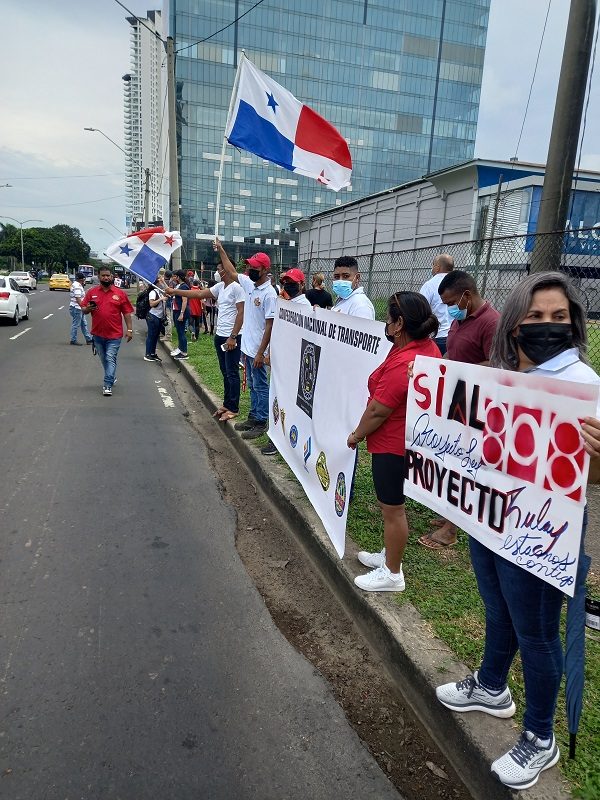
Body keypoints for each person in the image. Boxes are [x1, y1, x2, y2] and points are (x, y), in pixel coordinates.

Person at [435, 272, 600, 790]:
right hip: (490, 513)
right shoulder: (498, 375)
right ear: (513, 325)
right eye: (535, 317)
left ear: (574, 323)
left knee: (537, 633)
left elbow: (587, 476)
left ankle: (539, 736)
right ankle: (491, 686)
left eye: (559, 317)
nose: (547, 326)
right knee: (496, 607)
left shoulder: (584, 386)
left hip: (541, 529)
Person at [347, 292, 440, 592]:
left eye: (388, 319)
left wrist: (356, 435)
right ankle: (389, 554)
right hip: (403, 440)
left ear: (399, 324)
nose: (385, 324)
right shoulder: (422, 348)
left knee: (392, 508)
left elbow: (378, 410)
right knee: (390, 505)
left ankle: (393, 573)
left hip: (393, 444)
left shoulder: (406, 360)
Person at [418, 270, 500, 550]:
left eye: (452, 302)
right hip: (455, 399)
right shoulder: (459, 320)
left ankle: (452, 529)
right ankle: (448, 513)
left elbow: (497, 365)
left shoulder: (491, 322)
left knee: (466, 461)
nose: (449, 309)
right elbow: (453, 352)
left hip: (476, 405)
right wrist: (437, 367)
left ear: (467, 295)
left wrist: (460, 371)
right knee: (448, 456)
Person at [167, 263, 245, 422]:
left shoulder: (238, 288)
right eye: (217, 269)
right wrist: (175, 291)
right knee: (225, 372)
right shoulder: (220, 287)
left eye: (219, 269)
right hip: (220, 336)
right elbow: (200, 294)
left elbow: (241, 313)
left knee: (232, 373)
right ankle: (227, 403)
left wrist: (233, 336)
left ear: (228, 269)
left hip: (232, 337)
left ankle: (233, 408)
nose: (217, 272)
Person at [215, 240, 277, 439]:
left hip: (259, 350)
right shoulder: (251, 285)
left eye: (254, 267)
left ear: (265, 269)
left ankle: (261, 421)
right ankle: (253, 415)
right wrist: (222, 251)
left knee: (260, 385)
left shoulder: (269, 294)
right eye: (249, 266)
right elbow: (232, 272)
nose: (250, 270)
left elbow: (270, 325)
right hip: (248, 349)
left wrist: (261, 352)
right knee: (251, 384)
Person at [261, 267, 311, 456]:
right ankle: (275, 436)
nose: (287, 285)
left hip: (292, 365)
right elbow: (278, 332)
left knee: (287, 404)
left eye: (291, 282)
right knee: (276, 399)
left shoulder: (303, 307)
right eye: (285, 282)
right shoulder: (284, 303)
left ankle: (282, 440)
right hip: (280, 362)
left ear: (301, 284)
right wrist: (271, 353)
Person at [81, 266, 134, 396]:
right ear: (99, 277)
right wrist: (87, 308)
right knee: (104, 359)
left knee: (110, 358)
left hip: (114, 335)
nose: (106, 277)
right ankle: (111, 375)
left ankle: (107, 384)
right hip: (98, 334)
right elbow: (83, 309)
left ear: (112, 277)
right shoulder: (91, 292)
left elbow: (127, 312)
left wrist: (130, 329)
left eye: (108, 275)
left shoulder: (120, 293)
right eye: (103, 275)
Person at [418, 253, 454, 355]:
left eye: (433, 265)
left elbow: (421, 309)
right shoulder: (458, 283)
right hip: (456, 335)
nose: (432, 268)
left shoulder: (429, 285)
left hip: (438, 335)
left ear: (437, 267)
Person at [69, 270, 93, 346]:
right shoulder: (77, 286)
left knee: (83, 324)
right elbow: (78, 298)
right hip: (77, 307)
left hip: (78, 307)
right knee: (76, 324)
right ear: (81, 279)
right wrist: (83, 307)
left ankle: (88, 339)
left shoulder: (77, 284)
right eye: (83, 279)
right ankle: (73, 340)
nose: (84, 280)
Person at [170, 269, 190, 360]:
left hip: (181, 311)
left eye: (175, 276)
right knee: (179, 331)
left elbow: (184, 301)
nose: (174, 277)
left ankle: (184, 352)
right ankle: (180, 349)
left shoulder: (184, 287)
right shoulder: (179, 285)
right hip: (176, 310)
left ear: (178, 277)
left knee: (181, 332)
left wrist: (181, 313)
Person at [144, 282, 166, 363]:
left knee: (156, 335)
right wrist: (161, 299)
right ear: (156, 284)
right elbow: (152, 303)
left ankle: (152, 353)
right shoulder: (153, 292)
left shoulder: (160, 292)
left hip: (159, 317)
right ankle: (147, 354)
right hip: (153, 316)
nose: (162, 283)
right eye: (160, 281)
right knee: (151, 335)